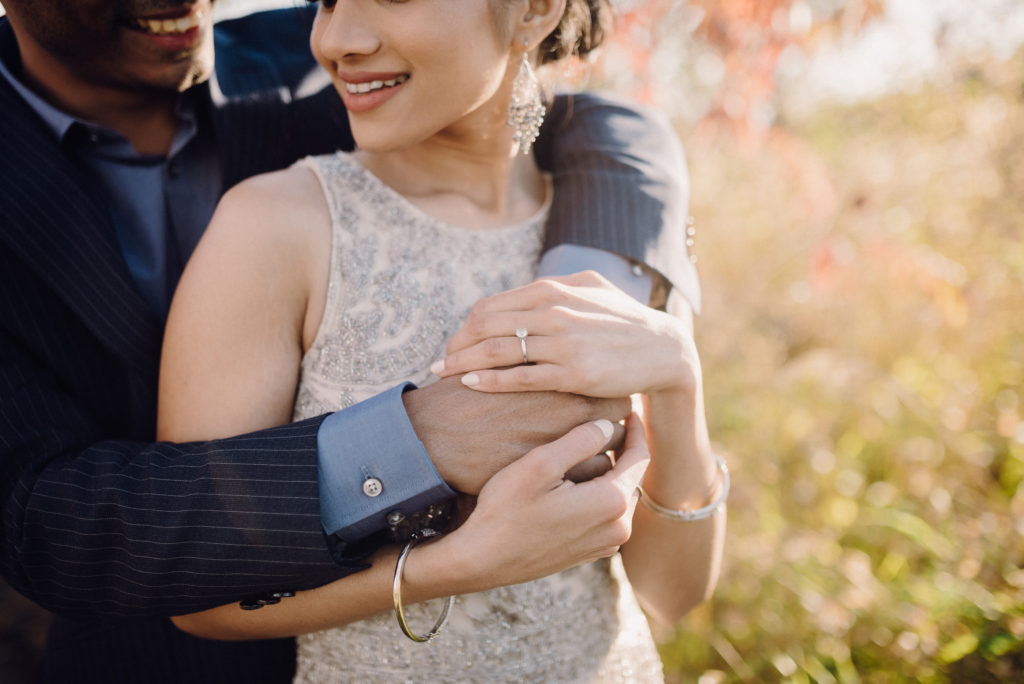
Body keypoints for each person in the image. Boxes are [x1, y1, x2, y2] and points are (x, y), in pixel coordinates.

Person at [0, 0, 699, 682]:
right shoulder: (277, 221)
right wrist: (419, 449)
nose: (336, 38)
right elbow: (45, 520)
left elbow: (600, 119)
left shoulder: (599, 260)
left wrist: (663, 354)